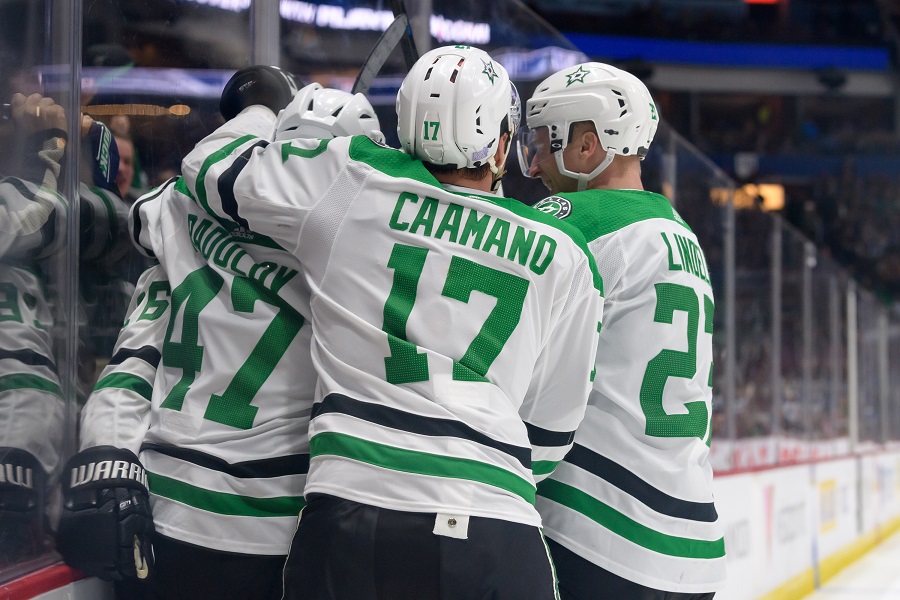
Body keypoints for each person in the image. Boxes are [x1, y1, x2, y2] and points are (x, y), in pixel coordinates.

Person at [174, 46, 602, 600]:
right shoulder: (566, 251)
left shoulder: (351, 176)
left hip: (353, 508)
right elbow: (548, 431)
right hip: (493, 521)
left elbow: (208, 166)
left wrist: (261, 108)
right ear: (500, 145)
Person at [57, 75, 386, 600]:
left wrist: (108, 454)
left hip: (166, 512)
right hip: (281, 528)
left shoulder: (177, 219)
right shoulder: (364, 263)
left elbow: (133, 364)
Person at [518, 62, 726, 599]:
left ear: (588, 145)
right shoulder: (683, 234)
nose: (535, 165)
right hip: (696, 542)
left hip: (600, 531)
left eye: (545, 143)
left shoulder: (574, 220)